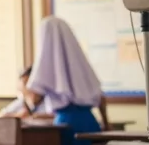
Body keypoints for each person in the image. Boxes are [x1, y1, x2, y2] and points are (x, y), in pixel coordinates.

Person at [14, 16, 108, 145]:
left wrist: (23, 88)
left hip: (66, 124)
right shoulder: (80, 62)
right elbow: (101, 99)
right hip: (90, 122)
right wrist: (107, 126)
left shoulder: (47, 64)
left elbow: (34, 99)